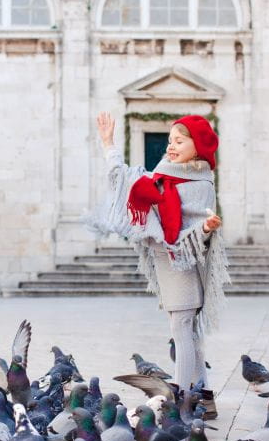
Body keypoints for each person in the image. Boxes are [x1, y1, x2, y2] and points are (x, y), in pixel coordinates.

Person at [89, 112, 230, 414]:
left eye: (179, 141)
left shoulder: (201, 184)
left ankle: (177, 398)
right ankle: (204, 394)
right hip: (165, 260)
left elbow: (196, 233)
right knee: (186, 330)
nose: (171, 146)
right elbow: (123, 179)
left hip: (184, 264)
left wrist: (205, 229)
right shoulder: (162, 175)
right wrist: (108, 144)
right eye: (169, 141)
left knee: (181, 328)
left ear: (198, 146)